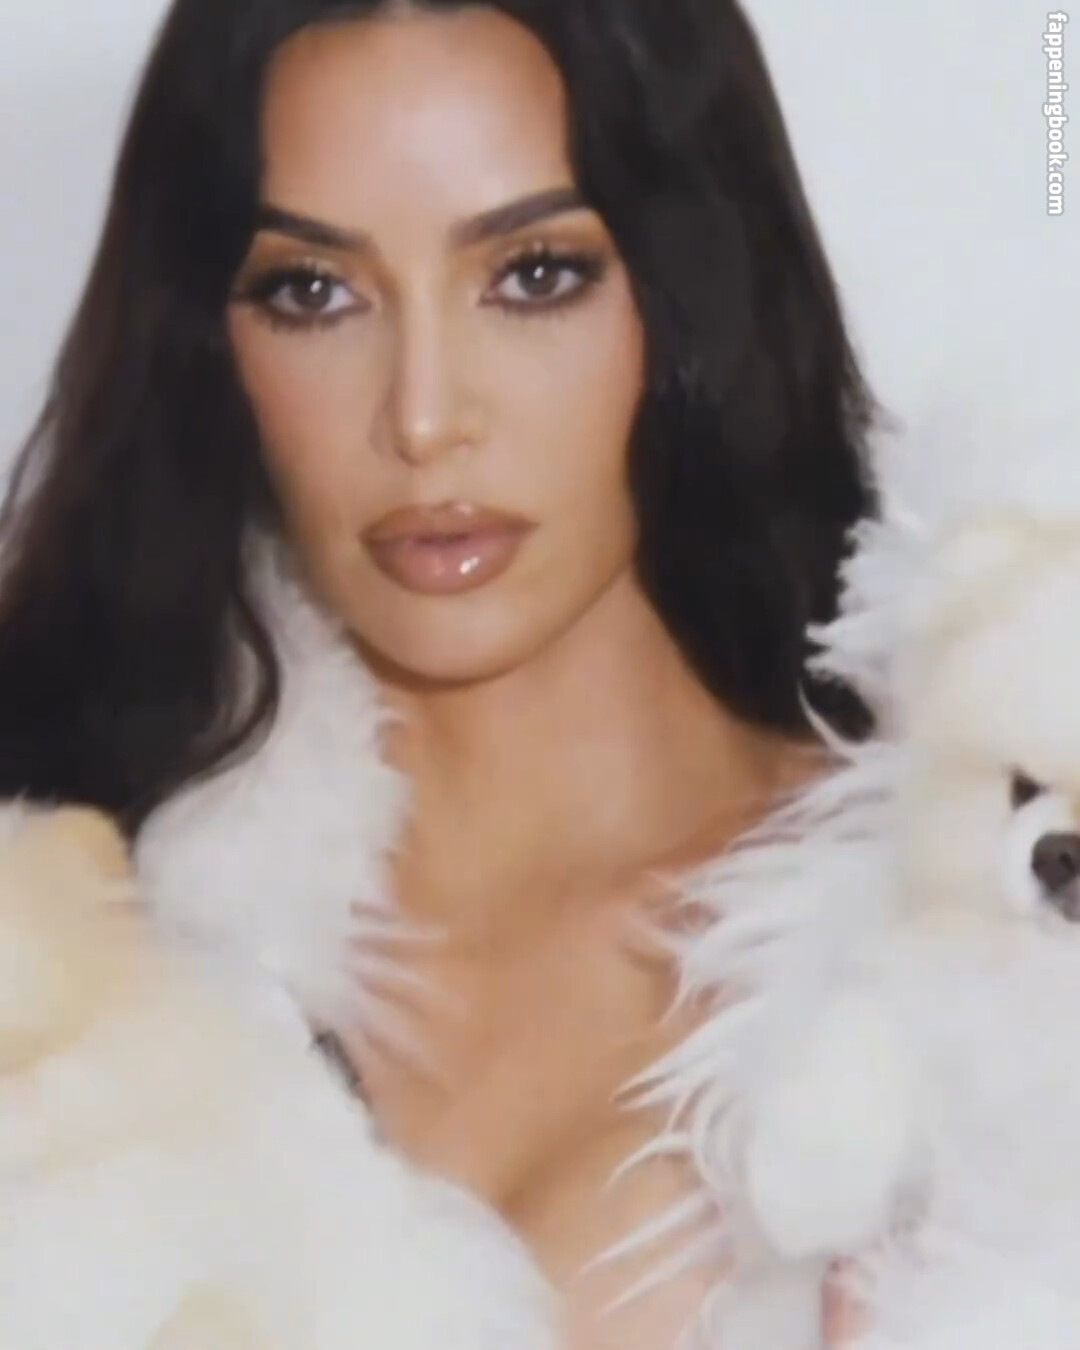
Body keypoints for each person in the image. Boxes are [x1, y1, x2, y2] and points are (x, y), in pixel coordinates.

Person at [0, 0, 877, 1345]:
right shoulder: (65, 956)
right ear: (210, 346)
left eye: (534, 274)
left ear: (695, 291)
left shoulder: (981, 935)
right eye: (313, 292)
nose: (422, 417)